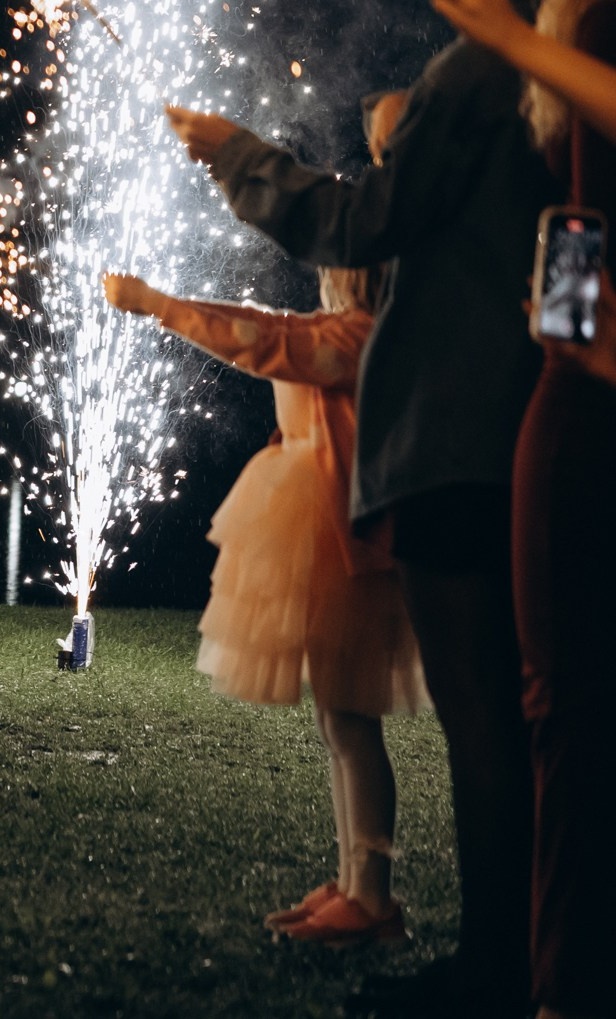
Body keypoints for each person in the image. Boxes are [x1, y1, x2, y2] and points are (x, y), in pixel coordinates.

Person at [159, 0, 554, 1018]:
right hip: (531, 417)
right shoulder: (559, 71)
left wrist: (237, 156)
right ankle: (548, 952)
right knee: (524, 711)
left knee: (484, 713)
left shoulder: (482, 74)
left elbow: (358, 222)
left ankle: (497, 971)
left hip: (456, 432)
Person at [104, 256, 423, 944]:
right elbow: (269, 330)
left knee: (352, 722)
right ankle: (353, 883)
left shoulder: (358, 336)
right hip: (328, 534)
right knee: (341, 723)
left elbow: (262, 341)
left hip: (342, 543)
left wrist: (158, 302)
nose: (322, 273)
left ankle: (372, 898)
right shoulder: (347, 330)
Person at [495, 0, 616, 1019]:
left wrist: (556, 313)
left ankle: (571, 994)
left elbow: (589, 241)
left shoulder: (609, 28)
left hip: (600, 417)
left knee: (573, 723)